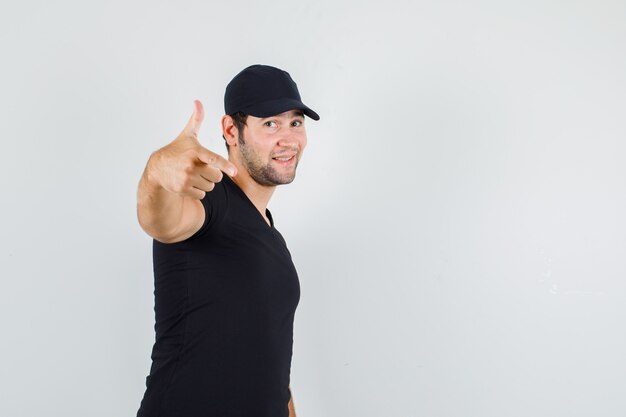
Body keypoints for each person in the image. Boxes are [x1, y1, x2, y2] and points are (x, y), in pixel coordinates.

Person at [135, 64, 320, 417]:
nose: (288, 138)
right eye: (270, 124)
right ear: (231, 131)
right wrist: (157, 170)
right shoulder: (207, 198)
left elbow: (272, 362)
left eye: (295, 122)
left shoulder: (271, 235)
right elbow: (159, 221)